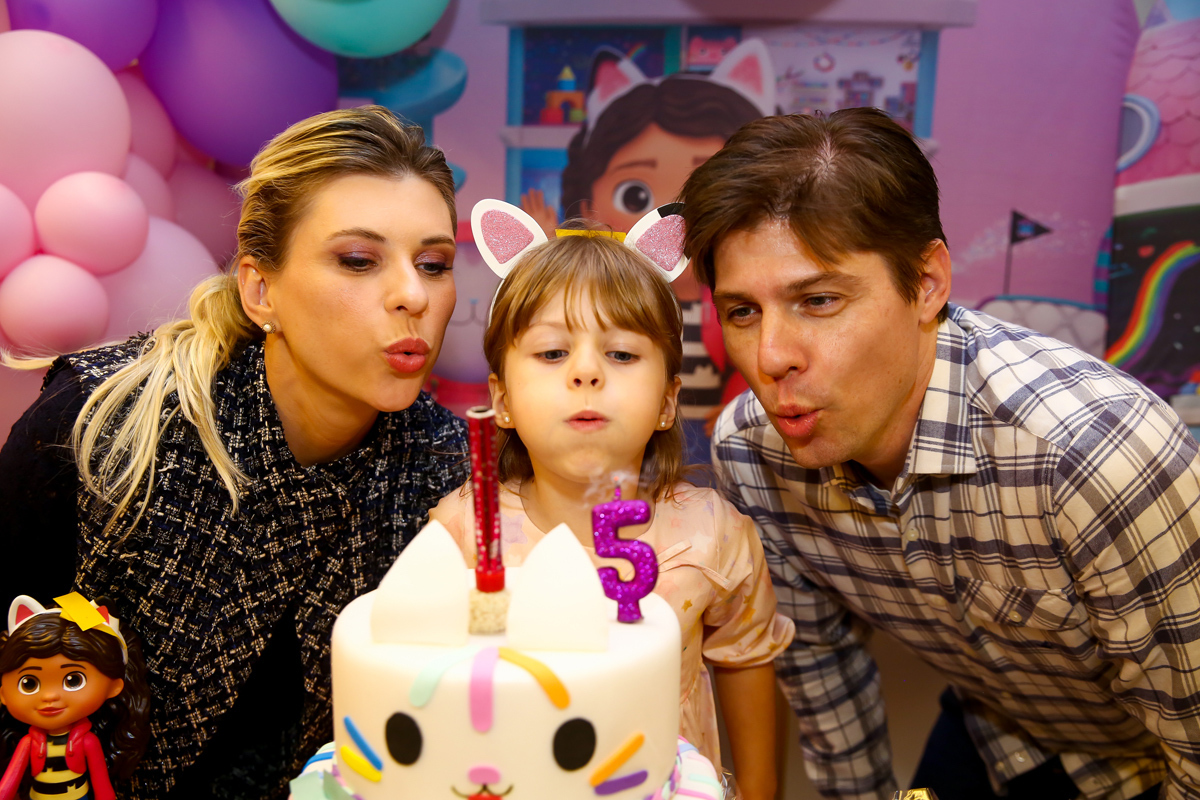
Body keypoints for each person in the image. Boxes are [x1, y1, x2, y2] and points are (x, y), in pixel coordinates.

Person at [679, 107, 1200, 800]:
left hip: (1151, 758)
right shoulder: (752, 453)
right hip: (997, 728)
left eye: (820, 300)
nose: (770, 357)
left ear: (926, 283)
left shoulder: (1092, 456)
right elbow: (825, 680)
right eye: (743, 312)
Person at [0, 106, 470, 798]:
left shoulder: (449, 472)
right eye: (358, 260)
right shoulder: (103, 423)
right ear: (260, 289)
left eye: (434, 264)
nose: (413, 295)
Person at [427, 214, 794, 800]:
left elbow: (745, 660)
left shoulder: (712, 534)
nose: (586, 372)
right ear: (502, 398)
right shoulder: (463, 533)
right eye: (552, 352)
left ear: (668, 401)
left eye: (621, 354)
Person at [521, 41, 775, 468]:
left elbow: (752, 363)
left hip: (704, 437)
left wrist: (736, 405)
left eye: (700, 194)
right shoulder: (606, 295)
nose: (669, 216)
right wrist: (547, 253)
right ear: (587, 203)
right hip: (618, 435)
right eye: (635, 195)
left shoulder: (727, 303)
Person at [0, 593, 150, 800]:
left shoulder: (87, 742)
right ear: (3, 694)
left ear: (114, 686)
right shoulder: (28, 743)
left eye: (73, 680)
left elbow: (102, 786)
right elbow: (8, 785)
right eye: (29, 684)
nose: (50, 696)